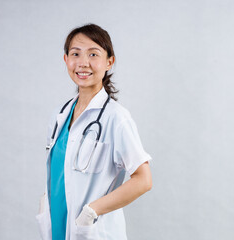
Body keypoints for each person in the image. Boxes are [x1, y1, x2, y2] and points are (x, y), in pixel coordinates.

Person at [36, 23, 152, 240]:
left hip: (91, 231)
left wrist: (91, 212)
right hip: (58, 228)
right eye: (75, 54)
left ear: (109, 61)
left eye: (93, 54)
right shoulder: (59, 116)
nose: (83, 63)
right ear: (66, 60)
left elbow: (143, 180)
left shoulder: (116, 118)